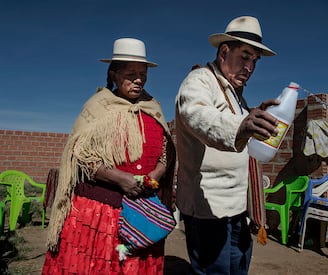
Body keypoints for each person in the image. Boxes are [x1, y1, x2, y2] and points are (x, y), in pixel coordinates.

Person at [42, 38, 176, 274]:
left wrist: (154, 175)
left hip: (141, 213)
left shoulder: (152, 108)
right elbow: (79, 156)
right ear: (114, 74)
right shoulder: (98, 107)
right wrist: (118, 178)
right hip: (101, 212)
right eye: (131, 73)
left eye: (143, 74)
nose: (138, 79)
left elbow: (165, 152)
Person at [175, 16, 279, 274]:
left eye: (255, 60)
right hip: (207, 209)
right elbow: (198, 116)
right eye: (245, 56)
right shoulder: (200, 81)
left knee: (237, 269)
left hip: (236, 207)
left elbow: (234, 121)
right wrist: (242, 126)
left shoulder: (236, 94)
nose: (250, 66)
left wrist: (253, 117)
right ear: (224, 51)